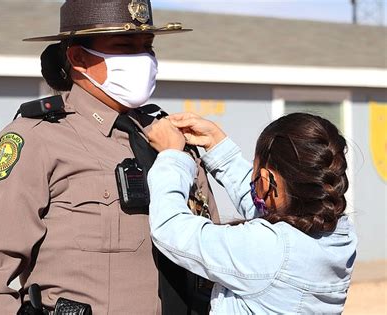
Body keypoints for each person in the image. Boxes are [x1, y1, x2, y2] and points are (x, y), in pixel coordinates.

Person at [0, 1, 220, 314]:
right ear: (78, 57)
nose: (143, 59)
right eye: (124, 46)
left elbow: (215, 252)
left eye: (147, 46)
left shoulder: (174, 139)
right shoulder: (36, 140)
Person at [147, 112, 357, 314]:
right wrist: (217, 145)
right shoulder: (340, 236)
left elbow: (171, 228)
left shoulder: (269, 249)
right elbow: (271, 208)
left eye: (256, 179)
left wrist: (172, 158)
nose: (253, 186)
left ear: (266, 181)